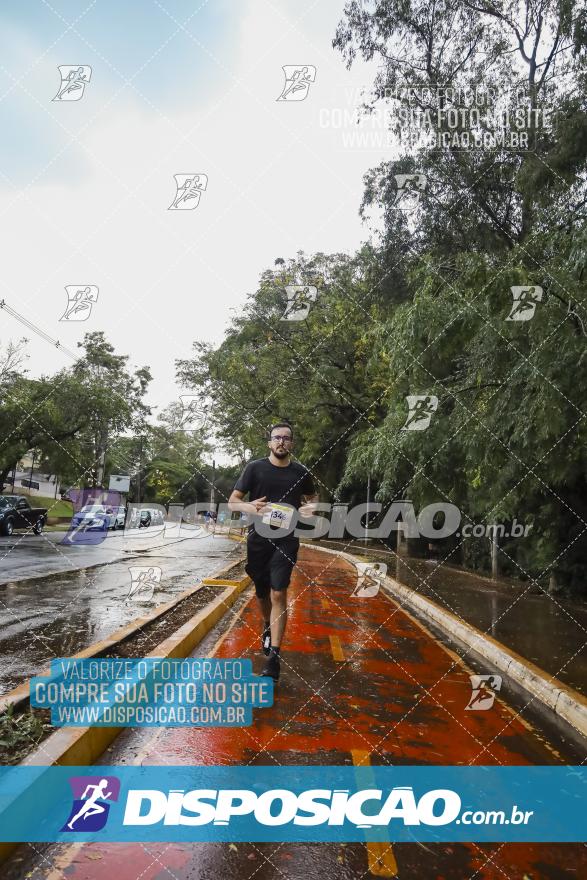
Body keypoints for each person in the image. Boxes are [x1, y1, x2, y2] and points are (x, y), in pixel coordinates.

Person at [228, 421, 318, 680]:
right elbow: (233, 501)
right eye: (277, 437)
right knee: (262, 592)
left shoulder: (300, 472)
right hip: (258, 540)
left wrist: (309, 509)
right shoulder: (255, 468)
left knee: (279, 592)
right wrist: (250, 507)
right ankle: (268, 624)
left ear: (292, 443)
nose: (281, 441)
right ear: (269, 442)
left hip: (287, 539)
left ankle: (274, 659)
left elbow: (313, 498)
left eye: (286, 438)